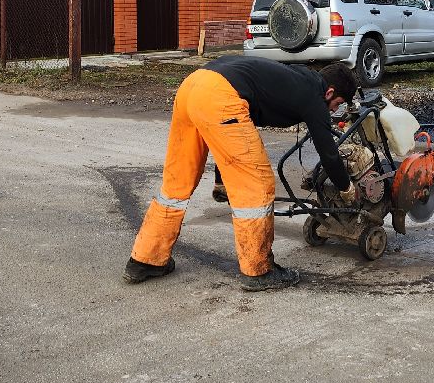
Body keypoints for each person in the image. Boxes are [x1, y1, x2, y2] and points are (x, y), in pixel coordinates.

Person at [125, 56, 359, 292]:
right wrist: (346, 188)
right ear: (329, 92)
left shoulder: (294, 77)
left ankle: (146, 259)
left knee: (177, 183)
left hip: (193, 86)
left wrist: (221, 179)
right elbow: (328, 153)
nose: (334, 110)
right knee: (256, 185)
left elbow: (231, 131)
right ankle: (259, 270)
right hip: (220, 97)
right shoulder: (314, 98)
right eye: (338, 104)